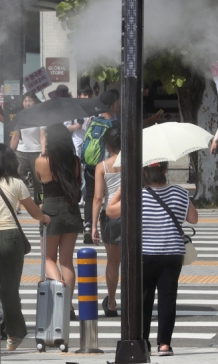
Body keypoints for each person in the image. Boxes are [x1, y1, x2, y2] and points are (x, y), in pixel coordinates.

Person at [107, 161, 198, 356]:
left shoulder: (137, 195)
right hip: (172, 254)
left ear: (145, 172)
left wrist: (123, 188)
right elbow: (193, 218)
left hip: (145, 254)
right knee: (168, 298)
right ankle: (164, 344)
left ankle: (143, 341)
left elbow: (110, 210)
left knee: (144, 299)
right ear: (165, 171)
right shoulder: (181, 193)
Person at [0, 144, 50, 351]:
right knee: (9, 289)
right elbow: (34, 211)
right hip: (11, 237)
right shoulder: (16, 183)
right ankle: (13, 333)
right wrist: (44, 217)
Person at [35, 124, 83, 319]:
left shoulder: (41, 161)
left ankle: (58, 287)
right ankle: (68, 307)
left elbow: (39, 183)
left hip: (50, 210)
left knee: (47, 258)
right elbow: (78, 184)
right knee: (67, 261)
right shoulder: (75, 161)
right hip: (70, 209)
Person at [90, 127, 122, 317]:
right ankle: (135, 299)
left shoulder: (102, 166)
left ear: (107, 145)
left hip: (111, 217)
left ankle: (111, 302)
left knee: (113, 262)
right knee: (132, 262)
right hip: (132, 214)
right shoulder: (134, 161)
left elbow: (97, 198)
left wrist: (93, 225)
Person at [82, 90, 119, 242]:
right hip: (106, 165)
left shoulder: (92, 119)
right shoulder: (115, 124)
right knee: (107, 193)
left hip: (91, 165)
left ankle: (88, 225)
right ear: (113, 104)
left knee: (90, 195)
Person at [10, 92, 45, 205]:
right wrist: (10, 153)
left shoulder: (40, 116)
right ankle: (17, 203)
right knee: (17, 177)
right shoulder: (19, 116)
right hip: (21, 152)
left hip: (36, 152)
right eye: (25, 101)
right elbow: (15, 137)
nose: (27, 103)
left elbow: (42, 136)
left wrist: (43, 152)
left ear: (35, 102)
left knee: (38, 181)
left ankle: (40, 202)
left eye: (30, 101)